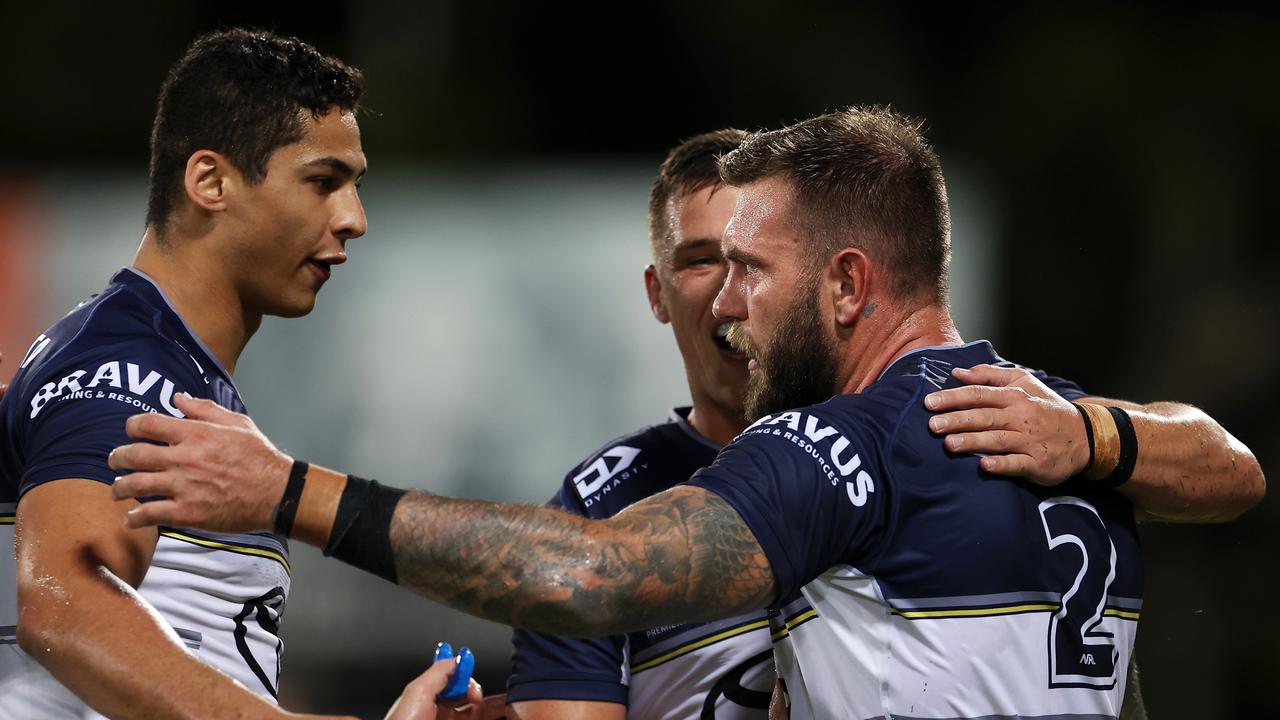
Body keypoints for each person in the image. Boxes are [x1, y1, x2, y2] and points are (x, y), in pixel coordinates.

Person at [108, 107, 1265, 718]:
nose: (728, 306)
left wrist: (290, 492)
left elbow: (593, 577)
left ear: (850, 284)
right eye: (701, 269)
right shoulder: (1040, 422)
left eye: (754, 270)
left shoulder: (836, 447)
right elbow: (1229, 469)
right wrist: (1104, 437)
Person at [0, 27, 493, 720]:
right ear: (209, 181)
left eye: (354, 186)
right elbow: (63, 612)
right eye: (323, 182)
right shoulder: (125, 367)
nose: (354, 219)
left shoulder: (159, 365)